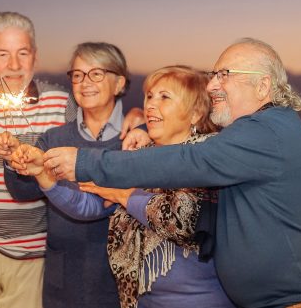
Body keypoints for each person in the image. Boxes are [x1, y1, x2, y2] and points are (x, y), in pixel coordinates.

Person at [42, 39, 301, 308]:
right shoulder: (260, 131)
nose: (211, 85)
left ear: (263, 85)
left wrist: (85, 162)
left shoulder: (265, 133)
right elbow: (187, 133)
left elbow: (189, 159)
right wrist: (144, 127)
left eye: (225, 75)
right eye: (212, 75)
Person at [0, 12, 143, 308]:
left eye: (22, 53)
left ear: (34, 56)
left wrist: (138, 116)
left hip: (34, 253)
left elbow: (99, 110)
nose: (14, 65)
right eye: (3, 54)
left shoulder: (61, 101)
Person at [12, 66, 234, 308]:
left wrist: (123, 194)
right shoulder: (135, 158)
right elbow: (89, 204)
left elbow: (183, 221)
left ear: (195, 113)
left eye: (164, 97)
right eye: (149, 96)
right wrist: (43, 174)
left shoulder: (208, 157)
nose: (150, 105)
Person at [0, 42, 129, 308]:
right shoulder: (54, 138)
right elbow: (23, 191)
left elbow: (96, 205)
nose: (85, 82)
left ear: (119, 84)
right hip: (63, 279)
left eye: (97, 73)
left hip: (117, 282)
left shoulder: (134, 140)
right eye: (77, 75)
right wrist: (15, 159)